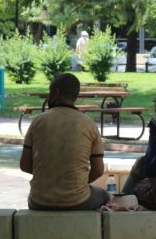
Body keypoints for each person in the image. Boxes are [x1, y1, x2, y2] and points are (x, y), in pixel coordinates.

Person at [20, 73, 110, 211]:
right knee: (105, 196)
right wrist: (76, 185)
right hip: (78, 200)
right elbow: (98, 171)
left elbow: (25, 165)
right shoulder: (89, 124)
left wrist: (50, 177)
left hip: (39, 201)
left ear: (55, 93)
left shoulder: (38, 121)